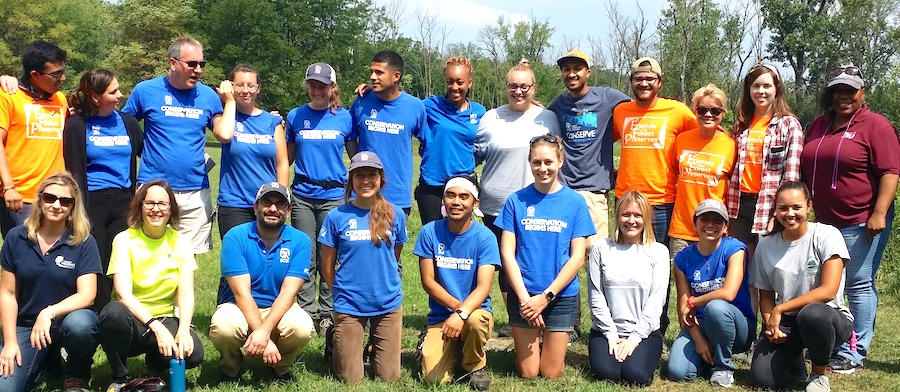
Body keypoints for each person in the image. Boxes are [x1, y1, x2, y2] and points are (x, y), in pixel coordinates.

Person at [800, 65, 900, 374]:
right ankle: (833, 342)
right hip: (826, 221)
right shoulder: (818, 125)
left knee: (857, 284)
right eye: (837, 90)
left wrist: (879, 212)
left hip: (862, 219)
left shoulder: (876, 126)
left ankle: (854, 351)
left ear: (862, 93)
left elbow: (890, 173)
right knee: (830, 284)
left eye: (850, 90)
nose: (843, 95)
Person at [547, 50, 631, 343]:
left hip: (595, 192)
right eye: (566, 69)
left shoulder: (608, 98)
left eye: (577, 69)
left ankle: (603, 322)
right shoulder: (558, 105)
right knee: (568, 259)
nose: (572, 74)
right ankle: (569, 323)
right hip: (565, 191)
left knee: (598, 260)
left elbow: (637, 111)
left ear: (588, 72)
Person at [612, 56, 698, 336]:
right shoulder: (621, 111)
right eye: (639, 78)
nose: (644, 83)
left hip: (662, 202)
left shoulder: (678, 111)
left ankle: (657, 326)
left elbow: (701, 134)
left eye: (650, 79)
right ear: (632, 82)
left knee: (657, 267)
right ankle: (625, 322)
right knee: (625, 265)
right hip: (625, 199)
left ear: (659, 82)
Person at [497, 135, 595, 379]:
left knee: (551, 373)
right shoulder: (515, 201)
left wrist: (546, 297)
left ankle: (546, 342)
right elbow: (507, 254)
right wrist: (525, 300)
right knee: (529, 373)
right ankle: (527, 345)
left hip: (560, 295)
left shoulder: (575, 202)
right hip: (524, 295)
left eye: (548, 162)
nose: (543, 168)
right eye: (536, 162)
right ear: (529, 163)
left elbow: (577, 257)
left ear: (560, 161)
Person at [475, 61, 560, 337]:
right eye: (513, 86)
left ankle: (549, 315)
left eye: (524, 86)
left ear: (533, 88)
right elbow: (474, 157)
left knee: (533, 260)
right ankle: (517, 318)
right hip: (495, 204)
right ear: (506, 87)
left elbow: (556, 158)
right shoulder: (490, 118)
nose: (518, 91)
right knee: (503, 262)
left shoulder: (547, 118)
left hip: (534, 205)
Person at [99, 179, 204, 391]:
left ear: (171, 208)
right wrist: (156, 327)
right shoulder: (123, 240)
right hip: (132, 321)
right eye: (150, 203)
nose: (156, 209)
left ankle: (156, 364)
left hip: (166, 316)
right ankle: (119, 375)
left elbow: (185, 295)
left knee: (194, 354)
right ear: (140, 206)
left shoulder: (181, 242)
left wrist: (183, 329)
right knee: (113, 314)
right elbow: (123, 295)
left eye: (163, 204)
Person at [122, 36, 223, 254]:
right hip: (153, 186)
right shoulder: (145, 90)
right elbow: (124, 125)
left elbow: (225, 131)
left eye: (201, 64)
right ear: (173, 63)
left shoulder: (208, 96)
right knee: (146, 253)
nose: (198, 70)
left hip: (195, 190)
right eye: (192, 64)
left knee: (188, 258)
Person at [0, 173, 100, 392]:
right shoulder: (16, 238)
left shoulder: (83, 241)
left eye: (65, 201)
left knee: (82, 324)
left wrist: (48, 312)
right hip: (27, 326)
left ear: (73, 208)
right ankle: (48, 362)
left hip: (67, 321)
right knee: (5, 387)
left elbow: (87, 294)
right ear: (39, 200)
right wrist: (9, 342)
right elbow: (7, 294)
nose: (56, 205)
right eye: (49, 198)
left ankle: (76, 373)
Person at [750, 181, 853, 392]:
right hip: (788, 321)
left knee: (812, 314)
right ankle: (796, 361)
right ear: (775, 210)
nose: (790, 214)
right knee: (763, 380)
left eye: (796, 207)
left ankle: (818, 374)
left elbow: (828, 291)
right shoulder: (766, 246)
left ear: (809, 206)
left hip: (828, 317)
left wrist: (780, 309)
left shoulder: (827, 235)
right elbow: (766, 295)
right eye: (783, 208)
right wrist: (772, 326)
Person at [209, 182, 315, 383]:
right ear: (255, 206)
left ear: (288, 210)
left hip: (279, 307)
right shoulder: (236, 237)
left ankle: (280, 368)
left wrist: (265, 332)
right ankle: (230, 368)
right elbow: (241, 294)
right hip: (238, 306)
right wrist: (263, 334)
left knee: (302, 327)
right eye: (267, 202)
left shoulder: (300, 241)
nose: (273, 209)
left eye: (280, 204)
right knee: (224, 326)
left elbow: (288, 293)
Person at [319, 151, 407, 383]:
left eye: (371, 175)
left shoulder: (395, 214)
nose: (366, 181)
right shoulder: (336, 216)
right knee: (351, 379)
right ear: (351, 180)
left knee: (389, 377)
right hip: (349, 302)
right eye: (359, 175)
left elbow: (395, 255)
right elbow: (326, 263)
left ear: (381, 179)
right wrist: (339, 291)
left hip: (387, 301)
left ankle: (371, 347)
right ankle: (336, 340)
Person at [63, 68, 143, 312]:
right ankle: (92, 313)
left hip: (124, 201)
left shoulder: (127, 122)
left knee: (118, 260)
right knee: (93, 258)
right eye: (114, 91)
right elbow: (73, 167)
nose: (120, 95)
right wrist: (79, 209)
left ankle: (115, 314)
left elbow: (146, 153)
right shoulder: (77, 125)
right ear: (96, 97)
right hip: (91, 201)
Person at [286, 62, 355, 334]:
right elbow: (287, 158)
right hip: (303, 194)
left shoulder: (344, 118)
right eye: (312, 85)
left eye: (322, 86)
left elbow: (355, 157)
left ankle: (327, 312)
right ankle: (305, 312)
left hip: (334, 195)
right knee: (306, 255)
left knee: (330, 254)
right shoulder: (295, 116)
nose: (317, 90)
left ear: (332, 87)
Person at [414, 175, 498, 390]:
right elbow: (428, 282)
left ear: (475, 203)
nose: (456, 202)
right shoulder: (429, 232)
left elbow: (483, 287)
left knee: (476, 321)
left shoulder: (485, 237)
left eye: (464, 197)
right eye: (450, 196)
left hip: (475, 312)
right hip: (443, 317)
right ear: (443, 200)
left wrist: (461, 314)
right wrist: (455, 311)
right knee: (433, 380)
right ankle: (445, 345)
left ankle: (474, 365)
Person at [667, 199, 754, 387]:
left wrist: (694, 302)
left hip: (737, 325)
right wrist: (699, 341)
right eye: (704, 219)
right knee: (677, 371)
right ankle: (710, 356)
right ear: (695, 224)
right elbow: (684, 311)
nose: (710, 225)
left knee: (716, 307)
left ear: (725, 226)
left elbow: (728, 293)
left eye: (717, 221)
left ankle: (723, 368)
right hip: (702, 326)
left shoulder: (734, 249)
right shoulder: (682, 259)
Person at [587, 190, 668, 386]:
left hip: (644, 332)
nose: (631, 221)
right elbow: (596, 296)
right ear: (617, 217)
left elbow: (656, 302)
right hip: (606, 331)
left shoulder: (658, 251)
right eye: (626, 214)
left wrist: (634, 338)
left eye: (638, 215)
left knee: (636, 376)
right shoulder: (601, 248)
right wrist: (611, 335)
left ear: (646, 218)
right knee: (607, 374)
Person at [725, 62, 802, 259]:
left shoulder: (788, 125)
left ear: (777, 89)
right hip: (739, 204)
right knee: (741, 263)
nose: (761, 91)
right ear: (748, 89)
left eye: (767, 86)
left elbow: (791, 175)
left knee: (770, 266)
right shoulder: (741, 125)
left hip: (770, 205)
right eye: (756, 86)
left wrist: (780, 212)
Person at [0, 40, 68, 237]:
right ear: (34, 75)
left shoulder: (60, 99)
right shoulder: (8, 97)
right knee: (25, 258)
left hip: (55, 195)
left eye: (62, 72)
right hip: (20, 197)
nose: (62, 78)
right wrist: (9, 187)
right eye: (55, 74)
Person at [212, 64, 289, 237]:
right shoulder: (222, 117)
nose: (245, 90)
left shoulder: (272, 122)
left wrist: (282, 199)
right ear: (230, 86)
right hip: (234, 204)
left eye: (250, 85)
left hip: (268, 203)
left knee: (267, 258)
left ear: (258, 88)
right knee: (237, 259)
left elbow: (282, 163)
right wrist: (230, 101)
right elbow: (224, 134)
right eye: (239, 85)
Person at [349, 50, 428, 215]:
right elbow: (349, 136)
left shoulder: (415, 106)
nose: (372, 77)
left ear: (396, 76)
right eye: (371, 72)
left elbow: (426, 143)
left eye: (379, 73)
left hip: (397, 196)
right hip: (363, 191)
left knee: (391, 241)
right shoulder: (362, 101)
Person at [666, 84, 736, 255]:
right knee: (680, 279)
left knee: (710, 280)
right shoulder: (681, 140)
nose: (708, 115)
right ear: (695, 111)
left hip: (713, 228)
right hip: (681, 227)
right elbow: (672, 175)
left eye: (715, 111)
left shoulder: (731, 145)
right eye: (702, 109)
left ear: (723, 113)